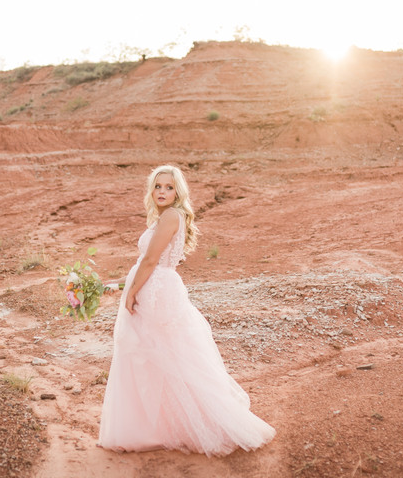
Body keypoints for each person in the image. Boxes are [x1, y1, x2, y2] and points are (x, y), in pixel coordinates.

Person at [99, 165, 276, 456]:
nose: (162, 192)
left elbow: (151, 261)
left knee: (165, 357)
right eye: (158, 186)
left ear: (178, 191)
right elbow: (145, 263)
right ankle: (160, 425)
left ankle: (202, 423)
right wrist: (116, 284)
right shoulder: (165, 217)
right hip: (155, 286)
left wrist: (130, 292)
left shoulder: (171, 216)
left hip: (156, 293)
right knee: (159, 358)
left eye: (169, 187)